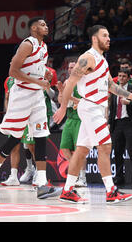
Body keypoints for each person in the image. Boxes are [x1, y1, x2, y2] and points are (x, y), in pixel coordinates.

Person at [53, 25, 132, 204]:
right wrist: (63, 107)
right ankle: (111, 191)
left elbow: (111, 85)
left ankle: (67, 191)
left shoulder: (102, 60)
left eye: (109, 35)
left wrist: (131, 96)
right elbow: (71, 82)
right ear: (95, 38)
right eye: (105, 35)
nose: (109, 38)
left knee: (81, 151)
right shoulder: (87, 58)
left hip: (94, 108)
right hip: (91, 108)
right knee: (105, 146)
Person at [0, 17, 61, 200]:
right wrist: (37, 81)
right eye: (42, 24)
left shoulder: (44, 47)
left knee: (41, 135)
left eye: (46, 24)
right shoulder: (28, 44)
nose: (46, 26)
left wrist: (45, 73)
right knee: (15, 137)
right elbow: (13, 72)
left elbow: (34, 68)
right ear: (33, 28)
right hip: (22, 94)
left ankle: (42, 184)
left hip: (37, 95)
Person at [108, 68, 132, 186]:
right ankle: (119, 177)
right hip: (117, 123)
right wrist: (109, 122)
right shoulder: (114, 90)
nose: (121, 78)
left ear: (128, 78)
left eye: (123, 76)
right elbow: (112, 108)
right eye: (119, 76)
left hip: (129, 123)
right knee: (117, 151)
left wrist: (130, 102)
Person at [56, 59, 87, 187]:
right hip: (69, 117)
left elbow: (83, 101)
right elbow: (60, 100)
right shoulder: (67, 82)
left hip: (80, 118)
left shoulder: (84, 82)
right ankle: (76, 172)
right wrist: (60, 91)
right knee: (64, 147)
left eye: (73, 67)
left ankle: (83, 177)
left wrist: (68, 96)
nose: (70, 69)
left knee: (79, 148)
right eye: (69, 67)